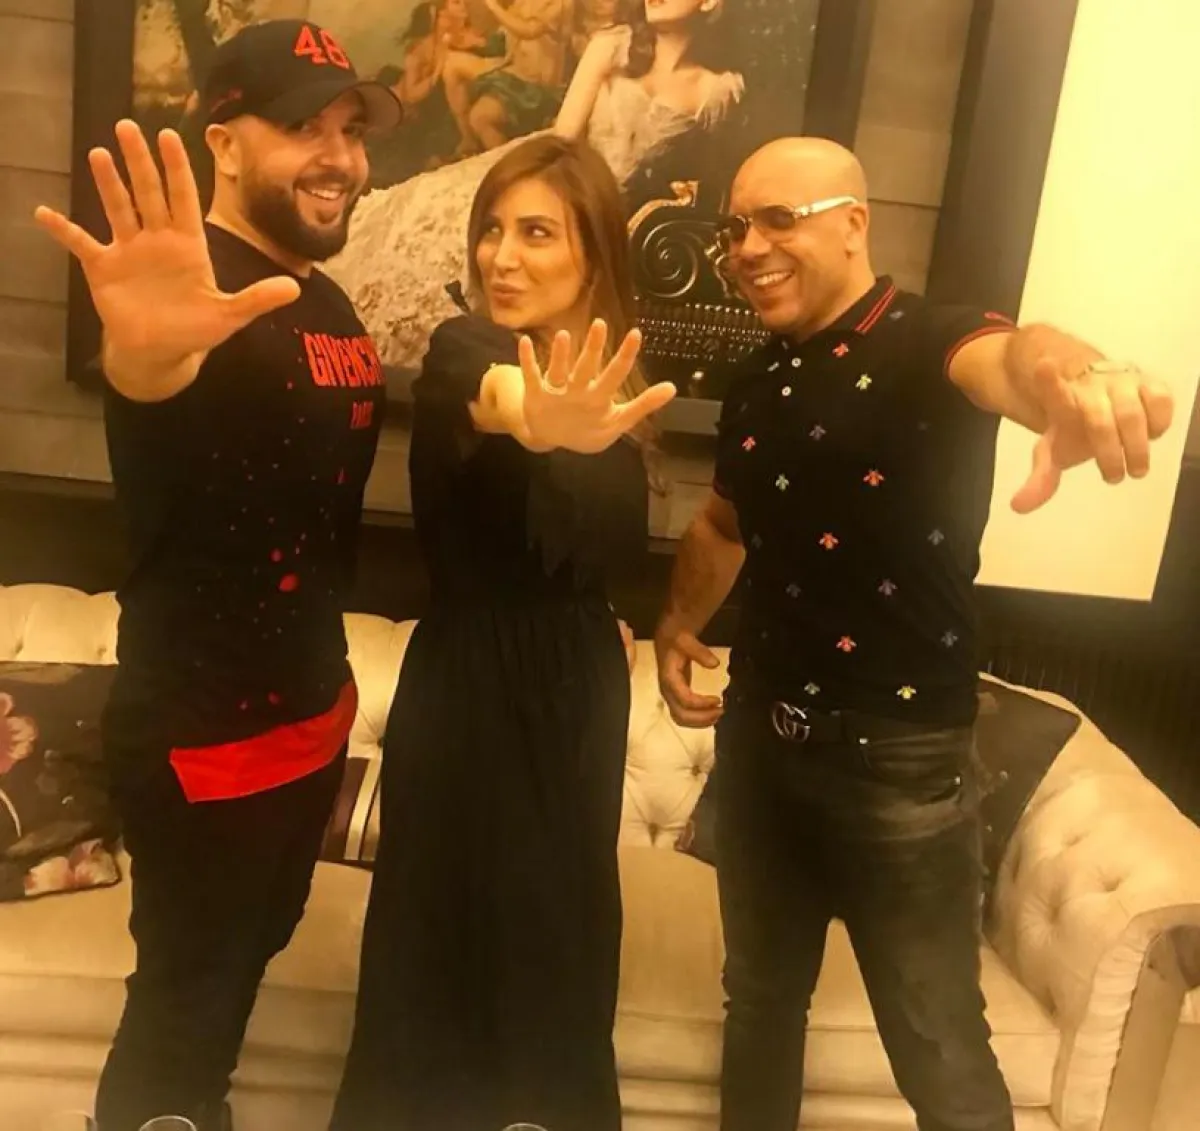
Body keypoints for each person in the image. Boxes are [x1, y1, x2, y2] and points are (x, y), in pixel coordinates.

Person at [653, 137, 1175, 1131]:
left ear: (854, 224)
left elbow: (1017, 357)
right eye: (735, 228)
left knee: (937, 1045)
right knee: (757, 1005)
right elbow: (723, 523)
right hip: (759, 744)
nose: (748, 247)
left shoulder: (933, 340)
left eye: (779, 219)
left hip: (898, 761)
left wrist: (1078, 375)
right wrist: (677, 623)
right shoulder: (755, 378)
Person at [32, 20, 401, 1131]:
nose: (339, 156)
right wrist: (145, 350)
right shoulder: (188, 288)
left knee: (233, 986)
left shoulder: (321, 300)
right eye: (302, 127)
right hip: (205, 740)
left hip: (308, 719)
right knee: (181, 1016)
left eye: (351, 129)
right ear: (224, 142)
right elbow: (151, 371)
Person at [328, 134, 676, 1131]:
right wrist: (542, 418)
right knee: (440, 940)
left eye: (536, 233)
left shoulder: (618, 386)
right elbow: (505, 403)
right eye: (492, 230)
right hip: (470, 688)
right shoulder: (465, 352)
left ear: (593, 256)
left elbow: (588, 546)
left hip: (577, 693)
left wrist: (611, 619)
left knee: (559, 944)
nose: (501, 256)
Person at [322, 0, 743, 370]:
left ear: (709, 2)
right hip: (555, 173)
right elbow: (564, 139)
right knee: (441, 225)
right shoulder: (612, 45)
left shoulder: (717, 89)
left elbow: (699, 178)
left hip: (614, 206)